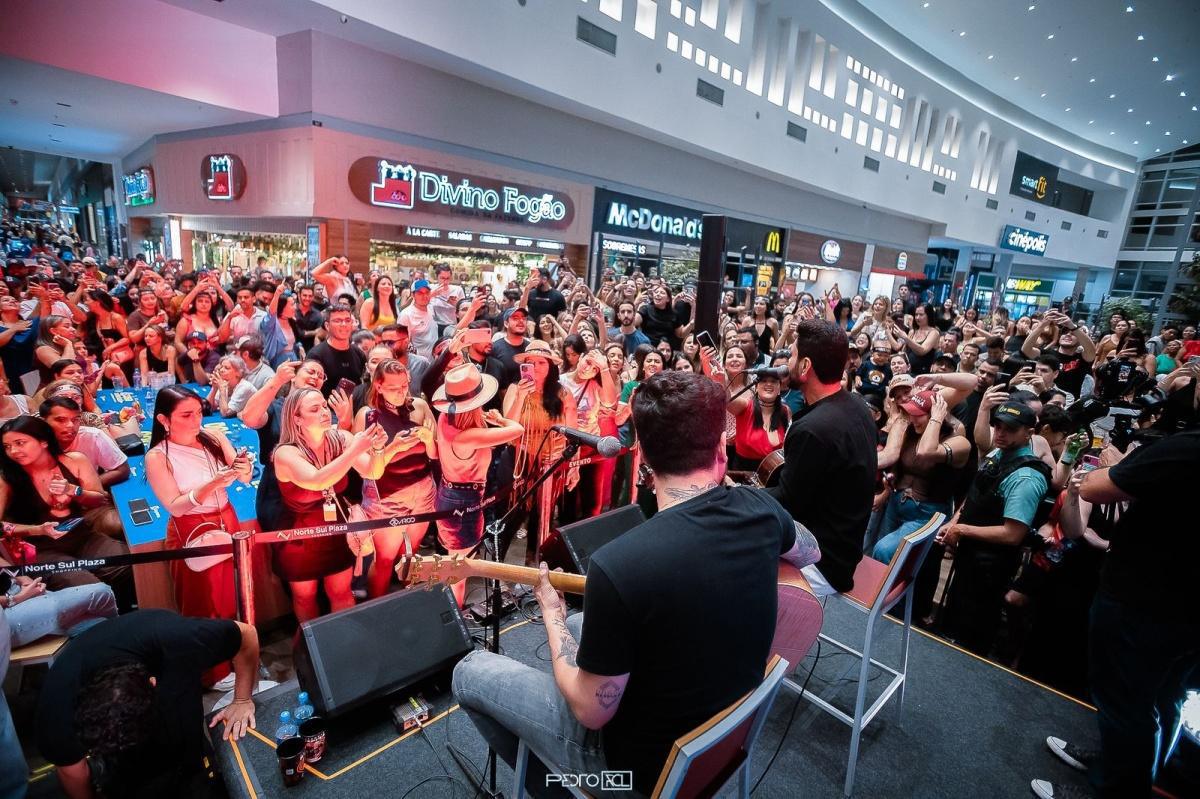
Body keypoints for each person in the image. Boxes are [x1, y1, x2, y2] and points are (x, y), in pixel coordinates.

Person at [453, 370, 815, 795]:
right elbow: (809, 551)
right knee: (581, 627)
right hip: (719, 739)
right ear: (720, 449)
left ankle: (553, 787)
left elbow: (592, 712)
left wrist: (551, 614)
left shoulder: (619, 565)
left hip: (634, 775)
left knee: (471, 669)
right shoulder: (760, 510)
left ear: (640, 455)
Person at [1031, 430, 1200, 799]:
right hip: (1181, 606)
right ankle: (1118, 764)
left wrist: (1120, 464)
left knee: (1127, 707)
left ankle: (1115, 789)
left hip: (1145, 601)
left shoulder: (1186, 448)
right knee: (1160, 699)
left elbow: (1094, 487)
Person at [35, 610, 260, 799]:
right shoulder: (57, 708)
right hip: (125, 776)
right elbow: (73, 772)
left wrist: (242, 699)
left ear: (153, 683)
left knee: (194, 774)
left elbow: (247, 636)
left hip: (185, 740)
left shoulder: (179, 639)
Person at [144, 386, 252, 683]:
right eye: (187, 415)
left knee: (235, 593)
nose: (196, 420)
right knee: (203, 602)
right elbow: (175, 507)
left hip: (227, 519)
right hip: (192, 529)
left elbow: (242, 474)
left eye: (199, 413)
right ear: (164, 420)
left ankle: (242, 658)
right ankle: (212, 672)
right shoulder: (157, 456)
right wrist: (212, 484)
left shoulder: (213, 436)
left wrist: (244, 466)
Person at [768, 319, 877, 595]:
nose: (786, 363)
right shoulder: (857, 406)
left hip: (822, 563)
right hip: (845, 548)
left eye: (792, 356)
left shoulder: (814, 430)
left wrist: (738, 498)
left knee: (727, 563)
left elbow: (789, 506)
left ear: (805, 367)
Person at [936, 401, 1050, 656]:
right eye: (997, 426)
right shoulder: (998, 455)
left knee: (971, 636)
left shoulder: (1027, 477)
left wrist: (962, 530)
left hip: (991, 567)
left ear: (1029, 433)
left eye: (1009, 429)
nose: (1000, 433)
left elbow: (1013, 534)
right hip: (969, 558)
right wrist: (955, 522)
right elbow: (977, 492)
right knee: (952, 622)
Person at [272, 387, 392, 622]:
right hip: (300, 537)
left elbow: (373, 471)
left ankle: (344, 646)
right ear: (296, 418)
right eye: (314, 409)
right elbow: (318, 481)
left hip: (335, 531)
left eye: (324, 406)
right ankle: (310, 649)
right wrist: (356, 448)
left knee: (341, 592)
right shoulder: (285, 453)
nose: (324, 412)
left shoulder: (341, 438)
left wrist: (378, 448)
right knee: (305, 598)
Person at [0, 416, 129, 592]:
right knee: (92, 588)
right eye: (7, 446)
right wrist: (37, 529)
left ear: (43, 442)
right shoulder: (6, 479)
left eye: (20, 443)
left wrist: (74, 490)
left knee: (131, 564)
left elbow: (99, 499)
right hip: (42, 550)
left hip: (84, 537)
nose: (13, 451)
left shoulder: (75, 460)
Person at [431, 365, 524, 606]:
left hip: (452, 495)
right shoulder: (467, 436)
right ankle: (455, 620)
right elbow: (517, 430)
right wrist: (501, 420)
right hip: (462, 502)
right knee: (458, 571)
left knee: (456, 566)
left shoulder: (446, 417)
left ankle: (453, 616)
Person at [355, 359, 438, 599]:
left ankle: (408, 605)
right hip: (386, 496)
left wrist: (428, 439)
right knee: (385, 559)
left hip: (423, 490)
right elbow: (365, 467)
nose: (402, 392)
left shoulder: (420, 406)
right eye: (394, 387)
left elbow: (434, 455)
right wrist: (393, 447)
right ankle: (378, 611)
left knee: (410, 554)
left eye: (405, 386)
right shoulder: (368, 415)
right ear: (378, 386)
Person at [39, 397, 130, 488]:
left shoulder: (93, 436)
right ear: (43, 421)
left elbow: (122, 469)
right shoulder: (31, 442)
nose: (71, 425)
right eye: (61, 420)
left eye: (75, 419)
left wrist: (84, 489)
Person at [307, 303, 365, 397]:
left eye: (347, 320)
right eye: (338, 321)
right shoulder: (316, 355)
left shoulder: (359, 353)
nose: (344, 324)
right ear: (327, 326)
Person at [398, 279, 438, 358]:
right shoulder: (406, 315)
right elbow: (401, 344)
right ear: (413, 295)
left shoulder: (431, 309)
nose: (425, 296)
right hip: (418, 364)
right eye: (420, 293)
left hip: (434, 362)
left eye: (427, 292)